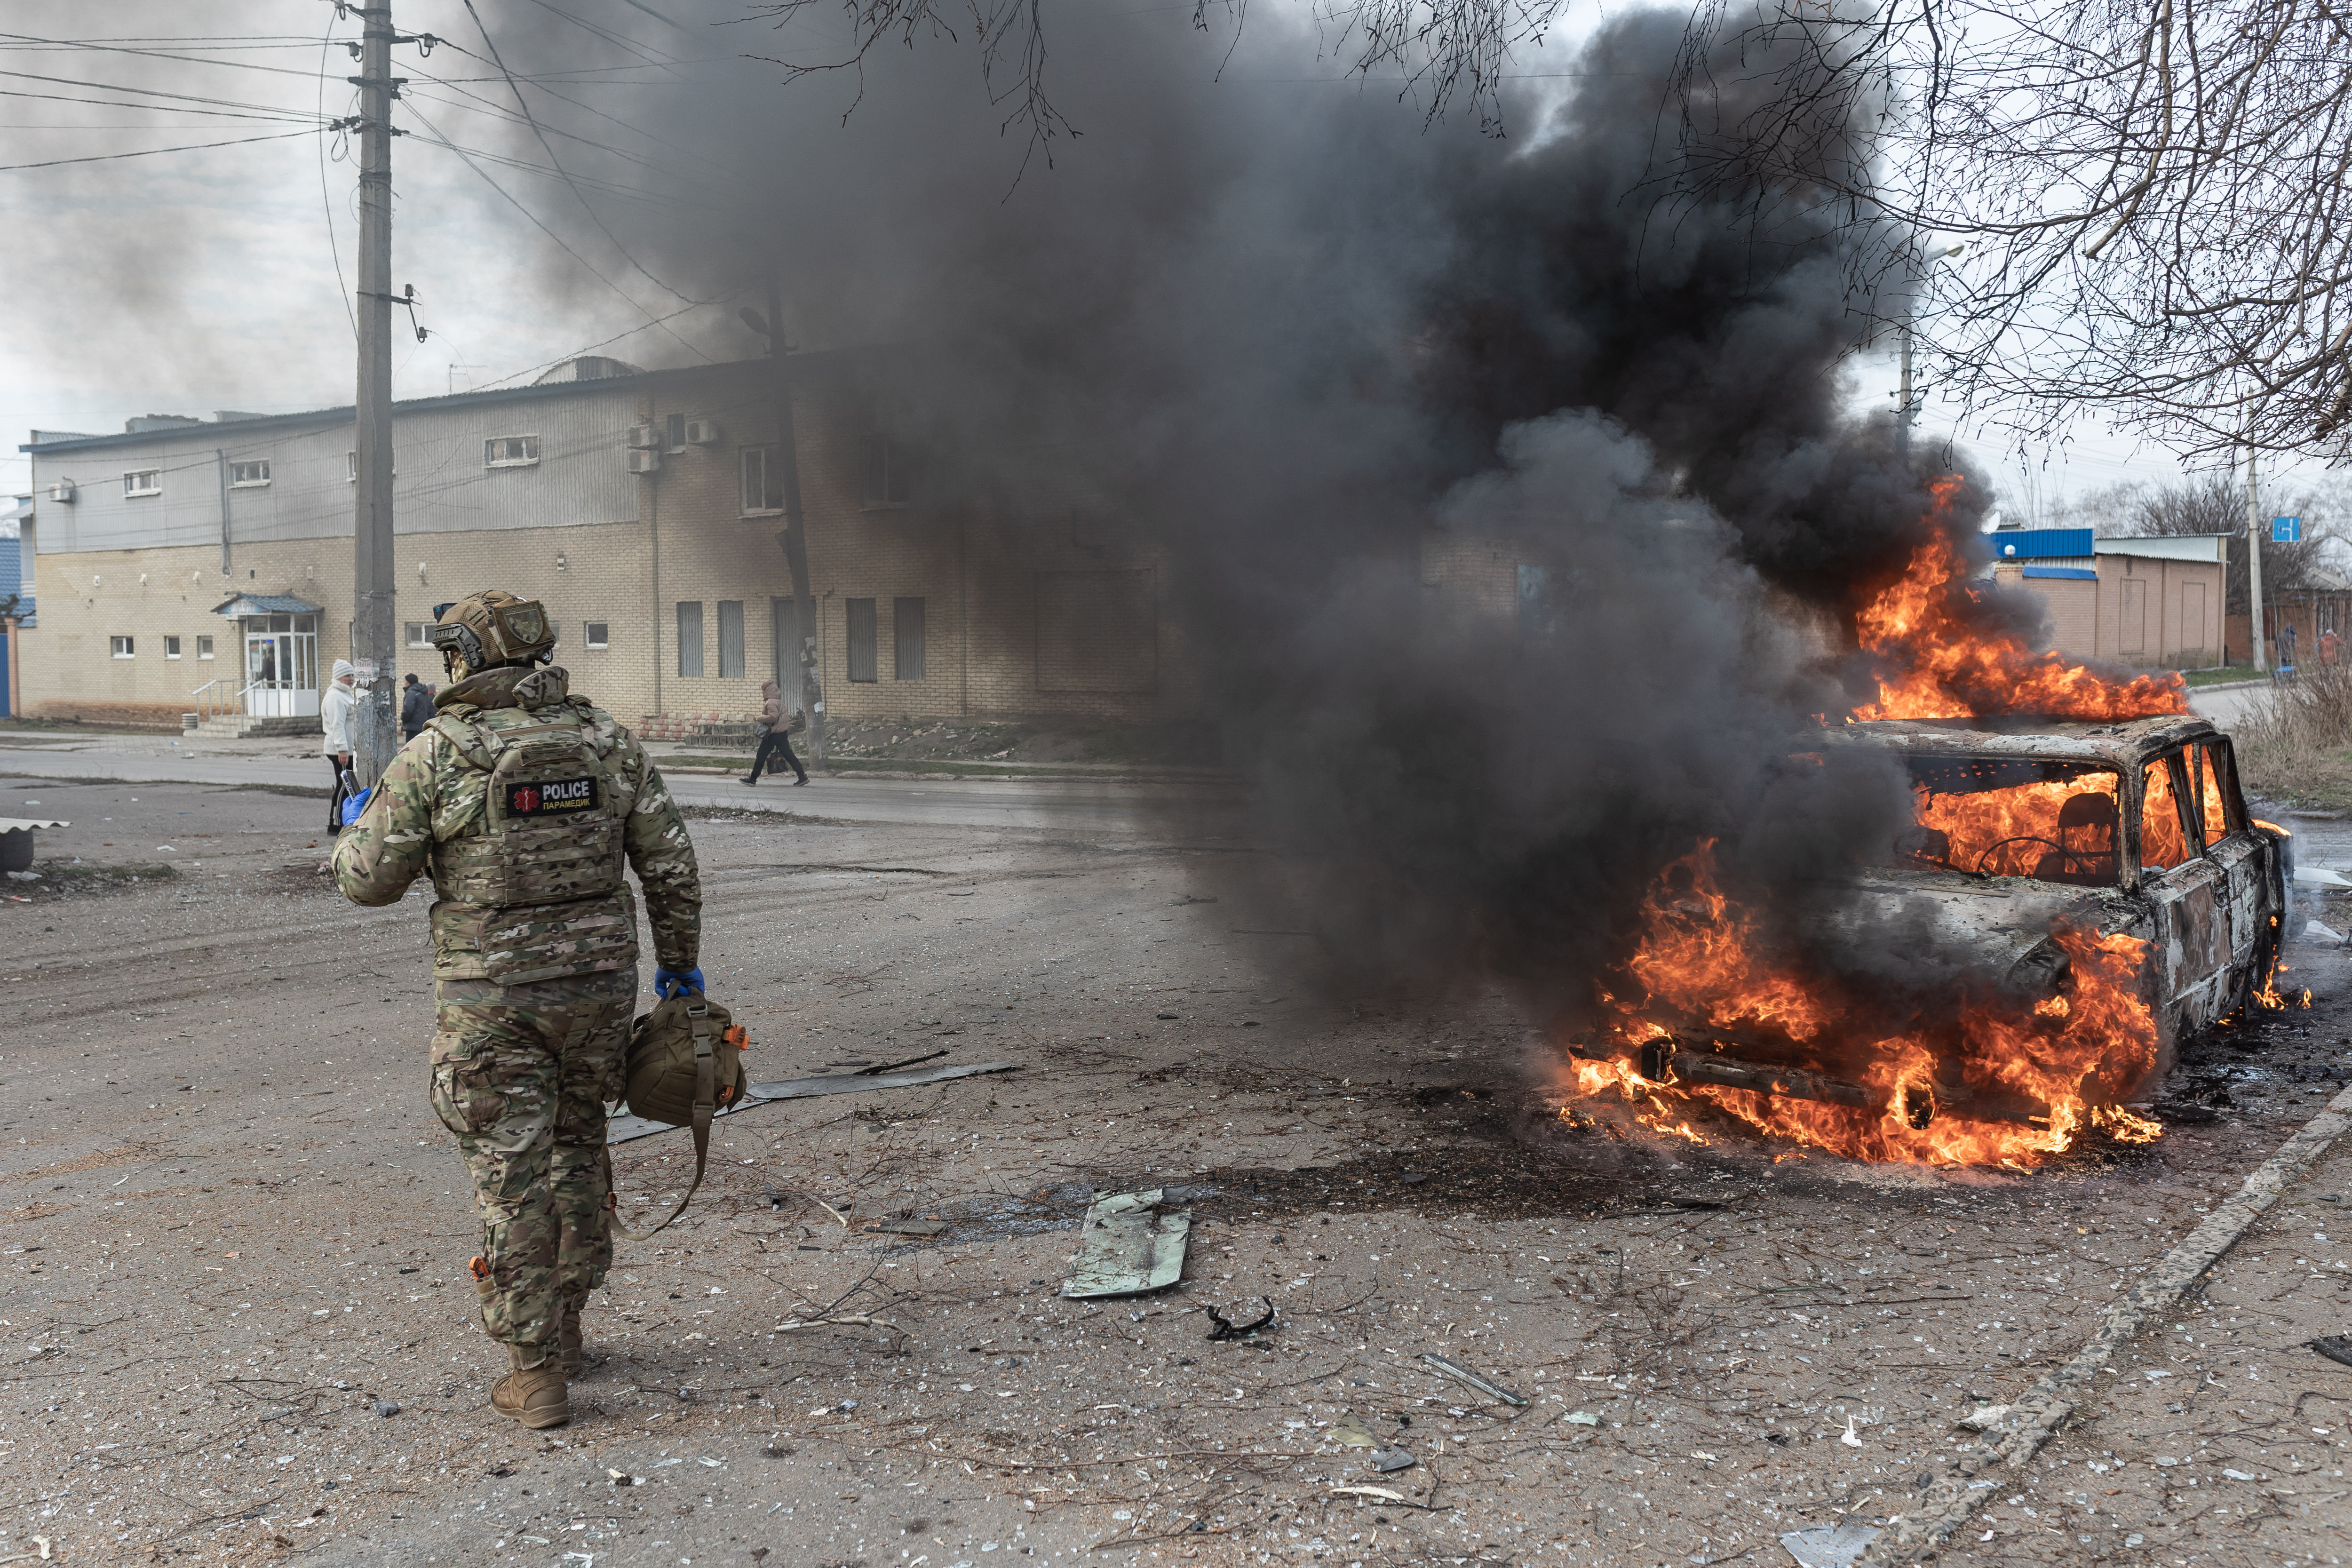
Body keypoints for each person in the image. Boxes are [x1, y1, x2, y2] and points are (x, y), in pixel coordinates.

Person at [331, 589, 702, 1430]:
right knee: (579, 1150)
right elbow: (672, 863)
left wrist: (360, 821)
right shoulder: (604, 740)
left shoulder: (438, 753)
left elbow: (365, 882)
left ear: (463, 656)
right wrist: (681, 970)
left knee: (512, 1176)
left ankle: (535, 1370)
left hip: (494, 1005)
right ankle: (568, 1330)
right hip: (599, 994)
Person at [742, 678, 808, 786]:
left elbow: (773, 717)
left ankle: (753, 779)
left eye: (763, 690)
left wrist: (760, 718)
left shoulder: (771, 702)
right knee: (788, 754)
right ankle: (802, 776)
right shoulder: (778, 700)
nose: (762, 692)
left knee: (761, 755)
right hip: (781, 732)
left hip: (774, 733)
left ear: (768, 690)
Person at [320, 659, 359, 832]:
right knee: (344, 785)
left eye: (352, 675)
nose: (351, 679)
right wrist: (342, 749)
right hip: (340, 751)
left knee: (349, 786)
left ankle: (346, 820)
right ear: (338, 677)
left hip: (348, 750)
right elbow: (337, 725)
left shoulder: (346, 694)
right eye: (347, 676)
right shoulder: (335, 697)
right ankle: (335, 823)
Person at [400, 671, 434, 742]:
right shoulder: (423, 692)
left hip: (413, 727)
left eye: (405, 681)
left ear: (408, 683)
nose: (404, 683)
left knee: (411, 749)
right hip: (422, 725)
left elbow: (408, 710)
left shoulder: (411, 692)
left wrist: (404, 720)